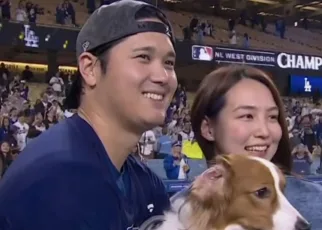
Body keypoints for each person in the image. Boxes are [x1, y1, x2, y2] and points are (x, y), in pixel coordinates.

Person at [0, 1, 177, 229]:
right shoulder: (56, 179)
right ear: (90, 69)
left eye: (169, 63)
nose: (163, 76)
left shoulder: (144, 181)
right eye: (143, 57)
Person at [172, 65, 322, 229]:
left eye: (273, 117)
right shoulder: (174, 212)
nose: (264, 131)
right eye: (247, 116)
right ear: (208, 129)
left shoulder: (316, 203)